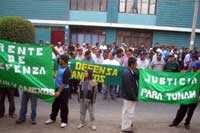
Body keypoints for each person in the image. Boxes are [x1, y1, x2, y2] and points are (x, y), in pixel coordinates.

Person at [169, 61, 200, 130]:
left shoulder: (199, 75)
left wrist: (199, 97)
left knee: (190, 112)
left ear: (198, 68)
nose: (194, 69)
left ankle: (187, 123)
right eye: (193, 67)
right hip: (186, 95)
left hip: (194, 96)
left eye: (196, 68)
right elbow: (182, 81)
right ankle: (175, 122)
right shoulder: (188, 73)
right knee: (181, 110)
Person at [45, 54, 71, 128]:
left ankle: (64, 121)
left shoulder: (67, 70)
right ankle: (52, 118)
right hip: (57, 88)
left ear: (64, 60)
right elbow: (58, 55)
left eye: (61, 59)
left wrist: (59, 92)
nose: (59, 60)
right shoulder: (60, 65)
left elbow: (64, 83)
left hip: (64, 90)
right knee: (55, 104)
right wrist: (52, 48)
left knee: (63, 106)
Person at [121, 57, 139, 133]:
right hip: (129, 97)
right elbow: (128, 88)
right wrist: (134, 97)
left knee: (125, 112)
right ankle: (126, 128)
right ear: (132, 65)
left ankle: (124, 125)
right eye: (136, 64)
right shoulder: (127, 73)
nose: (137, 65)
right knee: (129, 113)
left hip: (128, 96)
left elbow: (135, 75)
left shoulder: (130, 72)